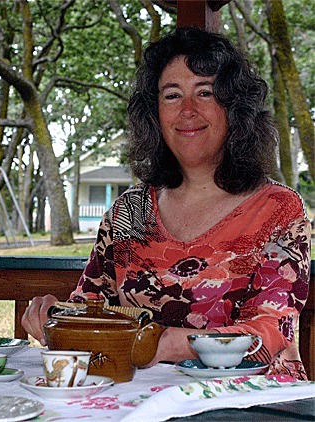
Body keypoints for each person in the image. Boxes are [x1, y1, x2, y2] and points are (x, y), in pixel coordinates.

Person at [21, 28, 311, 380]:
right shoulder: (131, 212)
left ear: (234, 108)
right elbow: (91, 308)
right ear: (154, 114)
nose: (188, 110)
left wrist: (174, 344)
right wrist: (58, 315)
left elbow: (271, 329)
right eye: (172, 96)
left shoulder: (278, 209)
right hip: (138, 399)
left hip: (254, 402)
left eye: (205, 92)